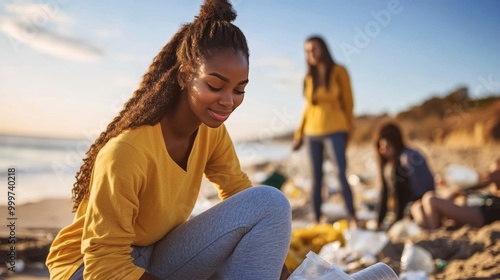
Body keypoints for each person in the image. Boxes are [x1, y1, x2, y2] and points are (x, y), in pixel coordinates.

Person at [45, 1, 292, 279]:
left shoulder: (212, 132)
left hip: (153, 252)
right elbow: (104, 266)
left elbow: (240, 193)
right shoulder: (127, 152)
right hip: (90, 269)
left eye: (239, 90)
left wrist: (279, 268)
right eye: (215, 85)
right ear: (185, 76)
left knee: (270, 202)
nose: (228, 101)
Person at [292, 35, 357, 226]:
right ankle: (317, 219)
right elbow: (307, 109)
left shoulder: (339, 71)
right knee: (316, 178)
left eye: (314, 49)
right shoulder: (309, 78)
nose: (311, 54)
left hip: (336, 130)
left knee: (340, 173)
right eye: (307, 51)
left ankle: (353, 217)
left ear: (324, 49)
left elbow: (349, 103)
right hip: (312, 133)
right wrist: (299, 135)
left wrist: (349, 130)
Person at [374, 121, 435, 230]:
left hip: (420, 203)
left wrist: (396, 222)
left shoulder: (402, 161)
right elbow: (385, 192)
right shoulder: (401, 157)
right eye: (381, 146)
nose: (382, 150)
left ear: (394, 144)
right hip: (424, 200)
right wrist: (379, 220)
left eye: (386, 146)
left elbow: (401, 195)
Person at [411, 160, 500, 230]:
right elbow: (465, 189)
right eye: (490, 171)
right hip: (467, 205)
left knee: (431, 199)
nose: (490, 173)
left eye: (496, 172)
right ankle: (429, 228)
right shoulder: (486, 186)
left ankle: (433, 231)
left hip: (480, 213)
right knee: (418, 206)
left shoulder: (495, 193)